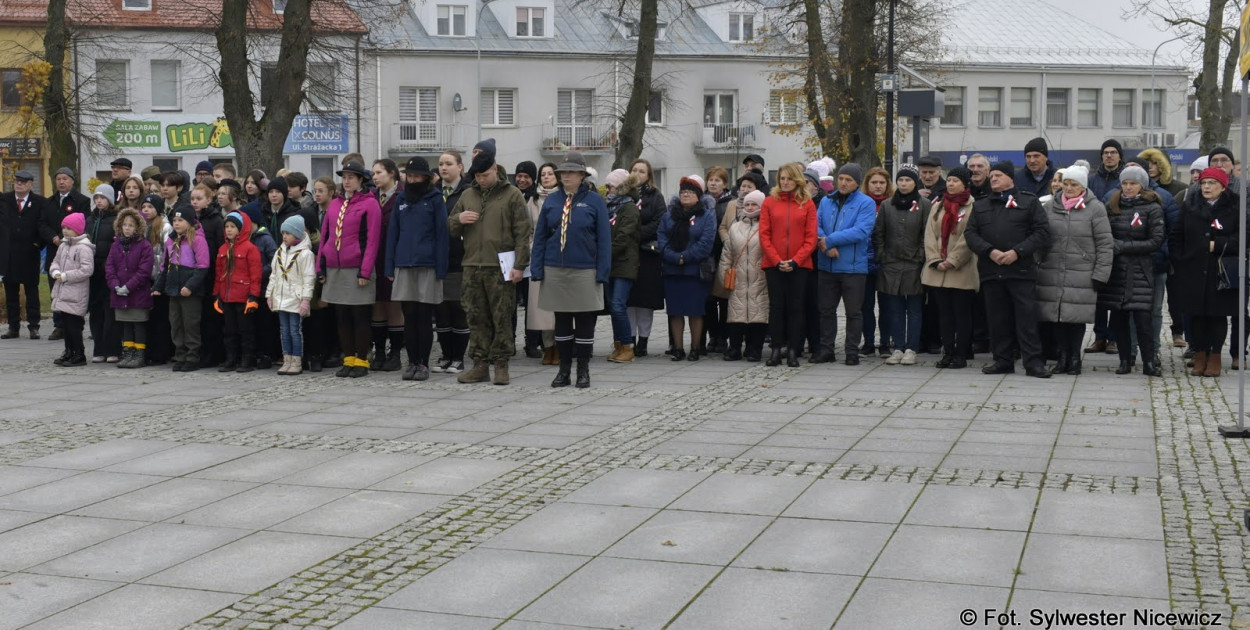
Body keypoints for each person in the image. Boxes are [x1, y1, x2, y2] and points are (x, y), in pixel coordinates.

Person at [447, 149, 531, 385]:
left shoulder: (512, 195)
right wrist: (459, 219)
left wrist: (520, 265)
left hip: (501, 267)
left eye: (484, 175)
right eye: (477, 176)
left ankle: (501, 364)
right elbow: (451, 226)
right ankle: (480, 364)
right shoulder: (467, 195)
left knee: (502, 316)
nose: (481, 180)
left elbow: (522, 232)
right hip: (472, 265)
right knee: (475, 316)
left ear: (495, 169)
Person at [964, 160, 1052, 378]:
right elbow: (971, 234)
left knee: (1026, 320)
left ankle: (1033, 362)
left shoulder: (1028, 202)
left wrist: (1017, 252)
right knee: (997, 319)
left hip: (1020, 271)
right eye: (992, 176)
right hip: (991, 271)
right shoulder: (981, 205)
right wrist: (990, 251)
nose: (993, 179)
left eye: (998, 176)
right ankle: (1002, 360)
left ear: (1010, 178)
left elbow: (1041, 233)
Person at [531, 152, 610, 387]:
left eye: (571, 172)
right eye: (563, 172)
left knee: (585, 322)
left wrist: (602, 271)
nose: (565, 176)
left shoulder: (595, 201)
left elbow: (604, 240)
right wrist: (537, 268)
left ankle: (583, 370)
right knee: (562, 323)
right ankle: (563, 371)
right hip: (555, 268)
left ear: (581, 175)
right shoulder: (553, 201)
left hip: (585, 269)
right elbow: (541, 237)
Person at [1035, 165, 1114, 376]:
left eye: (1074, 185)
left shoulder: (1095, 208)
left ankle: (1075, 358)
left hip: (1082, 272)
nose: (1068, 188)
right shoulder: (1051, 206)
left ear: (1083, 186)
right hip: (1053, 269)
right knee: (1058, 316)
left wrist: (1100, 273)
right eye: (1066, 183)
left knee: (1076, 318)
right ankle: (1062, 357)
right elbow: (1041, 237)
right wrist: (1038, 262)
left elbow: (1105, 244)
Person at [1170, 167, 1244, 377]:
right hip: (1193, 268)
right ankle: (1200, 355)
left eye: (1211, 183)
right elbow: (1177, 234)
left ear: (1222, 186)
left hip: (1220, 271)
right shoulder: (1190, 205)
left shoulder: (1235, 206)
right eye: (1203, 183)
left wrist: (1218, 244)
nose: (1206, 187)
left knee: (1217, 316)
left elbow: (1242, 238)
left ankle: (1216, 357)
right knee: (1197, 315)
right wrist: (1180, 259)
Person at [1097, 164, 1166, 377]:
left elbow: (1155, 240)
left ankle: (1148, 362)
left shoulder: (1152, 207)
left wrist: (1123, 247)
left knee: (1143, 320)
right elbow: (1104, 233)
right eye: (1125, 183)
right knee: (1118, 320)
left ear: (1141, 186)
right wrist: (1113, 245)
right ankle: (1125, 360)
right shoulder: (1113, 204)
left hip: (1141, 270)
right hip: (1117, 270)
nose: (1128, 187)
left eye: (1133, 183)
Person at [385, 156, 448, 381]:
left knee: (423, 317)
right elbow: (393, 234)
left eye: (416, 176)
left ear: (426, 178)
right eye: (409, 176)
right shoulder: (401, 199)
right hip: (404, 264)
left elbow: (442, 235)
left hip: (428, 265)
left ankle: (423, 363)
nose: (412, 180)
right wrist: (389, 266)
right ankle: (411, 361)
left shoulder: (435, 199)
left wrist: (441, 268)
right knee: (408, 317)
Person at [318, 161, 382, 378]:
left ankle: (362, 360)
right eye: (344, 177)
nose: (346, 181)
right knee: (342, 316)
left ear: (360, 180)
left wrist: (365, 271)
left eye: (351, 177)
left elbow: (372, 240)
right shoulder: (334, 204)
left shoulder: (369, 204)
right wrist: (321, 267)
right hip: (335, 267)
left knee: (359, 316)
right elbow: (325, 235)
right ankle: (348, 358)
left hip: (356, 267)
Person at [815, 163, 877, 366]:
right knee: (826, 310)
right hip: (827, 266)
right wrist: (825, 246)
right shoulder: (826, 201)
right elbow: (817, 226)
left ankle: (851, 351)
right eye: (841, 178)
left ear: (857, 183)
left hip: (853, 268)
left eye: (848, 180)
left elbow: (861, 231)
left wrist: (830, 241)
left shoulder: (865, 203)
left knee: (853, 312)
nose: (843, 183)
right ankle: (826, 350)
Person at [759, 163, 817, 366]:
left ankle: (793, 349)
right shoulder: (769, 202)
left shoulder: (807, 204)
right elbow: (764, 235)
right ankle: (776, 349)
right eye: (782, 178)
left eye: (789, 179)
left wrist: (795, 260)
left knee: (796, 307)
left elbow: (811, 238)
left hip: (799, 265)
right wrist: (777, 260)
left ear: (797, 180)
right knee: (776, 307)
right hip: (773, 264)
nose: (785, 182)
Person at [875, 165, 931, 366]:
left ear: (915, 182)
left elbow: (927, 233)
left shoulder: (924, 204)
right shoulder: (888, 205)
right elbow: (879, 233)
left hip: (915, 264)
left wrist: (921, 257)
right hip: (890, 263)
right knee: (895, 308)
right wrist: (882, 255)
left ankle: (911, 348)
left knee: (914, 309)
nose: (904, 183)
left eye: (908, 180)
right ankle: (897, 347)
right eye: (900, 180)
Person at [923, 167, 978, 368]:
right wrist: (934, 259)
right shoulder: (938, 206)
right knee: (944, 314)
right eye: (950, 180)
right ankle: (948, 352)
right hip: (938, 269)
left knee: (961, 314)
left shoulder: (973, 207)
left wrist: (952, 260)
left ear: (965, 184)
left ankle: (961, 354)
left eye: (955, 181)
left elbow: (969, 237)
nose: (951, 184)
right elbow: (929, 234)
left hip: (961, 270)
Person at [659, 174, 717, 361]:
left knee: (695, 311)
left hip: (695, 271)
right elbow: (662, 239)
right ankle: (677, 348)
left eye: (690, 192)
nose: (685, 195)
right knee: (675, 311)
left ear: (699, 195)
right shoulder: (669, 216)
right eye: (683, 191)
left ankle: (695, 348)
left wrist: (686, 257)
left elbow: (706, 243)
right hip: (672, 270)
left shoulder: (706, 216)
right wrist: (675, 258)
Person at [433, 150, 471, 374]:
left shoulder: (467, 193)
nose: (443, 168)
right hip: (438, 260)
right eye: (440, 164)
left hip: (459, 258)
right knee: (441, 311)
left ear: (460, 167)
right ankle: (445, 355)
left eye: (448, 163)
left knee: (458, 309)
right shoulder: (434, 192)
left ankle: (458, 357)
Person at [157, 207, 210, 371]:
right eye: (174, 221)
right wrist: (158, 286)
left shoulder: (197, 240)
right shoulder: (171, 240)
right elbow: (165, 266)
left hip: (189, 290)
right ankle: (180, 355)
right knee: (176, 323)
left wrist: (190, 286)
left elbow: (203, 266)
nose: (177, 224)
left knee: (190, 324)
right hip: (173, 288)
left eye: (181, 220)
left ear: (190, 222)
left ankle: (192, 356)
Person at [720, 189, 769, 362]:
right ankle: (734, 348)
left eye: (754, 204)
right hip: (739, 278)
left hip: (760, 278)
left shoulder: (767, 226)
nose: (749, 207)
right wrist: (724, 275)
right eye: (747, 204)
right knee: (736, 315)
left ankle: (754, 349)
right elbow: (727, 254)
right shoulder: (735, 227)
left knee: (758, 316)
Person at [42, 167, 90, 342]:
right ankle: (59, 325)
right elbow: (42, 223)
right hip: (55, 250)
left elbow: (84, 222)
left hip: (75, 251)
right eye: (58, 179)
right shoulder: (48, 202)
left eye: (65, 179)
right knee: (56, 288)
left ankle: (75, 323)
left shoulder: (82, 200)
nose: (61, 182)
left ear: (72, 181)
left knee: (72, 289)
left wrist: (68, 237)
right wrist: (53, 237)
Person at [626, 158, 668, 357]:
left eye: (642, 171)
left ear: (649, 175)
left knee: (645, 301)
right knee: (629, 300)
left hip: (648, 252)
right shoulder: (624, 194)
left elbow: (661, 220)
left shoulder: (655, 196)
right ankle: (630, 339)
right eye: (634, 170)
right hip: (627, 253)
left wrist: (637, 233)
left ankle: (643, 340)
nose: (637, 173)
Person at [266, 216, 316, 375]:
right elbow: (274, 274)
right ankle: (286, 359)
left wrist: (306, 300)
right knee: (284, 330)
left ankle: (297, 360)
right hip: (281, 297)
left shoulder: (305, 254)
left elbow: (309, 278)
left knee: (295, 330)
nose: (284, 236)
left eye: (288, 233)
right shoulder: (280, 251)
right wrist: (270, 295)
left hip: (295, 298)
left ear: (297, 234)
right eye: (283, 233)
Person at [212, 212, 263, 372]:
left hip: (243, 295)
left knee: (245, 330)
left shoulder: (250, 248)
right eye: (226, 226)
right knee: (229, 330)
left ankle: (247, 359)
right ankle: (231, 358)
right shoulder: (222, 249)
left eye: (232, 227)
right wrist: (216, 295)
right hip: (227, 296)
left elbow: (256, 274)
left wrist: (254, 296)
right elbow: (219, 275)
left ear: (240, 229)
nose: (228, 230)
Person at [105, 206, 154, 369]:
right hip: (119, 293)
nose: (127, 228)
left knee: (138, 323)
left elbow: (144, 270)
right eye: (125, 224)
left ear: (138, 227)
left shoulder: (145, 246)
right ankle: (128, 352)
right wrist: (115, 285)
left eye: (131, 225)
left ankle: (139, 354)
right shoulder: (116, 245)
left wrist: (129, 286)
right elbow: (110, 267)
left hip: (138, 293)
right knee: (125, 324)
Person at [370, 159, 406, 371]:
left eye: (379, 172)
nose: (374, 177)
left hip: (394, 258)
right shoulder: (371, 197)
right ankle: (380, 352)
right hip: (373, 259)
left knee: (394, 305)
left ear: (392, 173)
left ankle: (395, 353)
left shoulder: (403, 196)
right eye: (373, 173)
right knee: (377, 305)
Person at [2, 170, 45, 340]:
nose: (18, 184)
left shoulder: (39, 202)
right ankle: (13, 327)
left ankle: (34, 326)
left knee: (31, 291)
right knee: (11, 292)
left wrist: (37, 244)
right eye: (16, 181)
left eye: (22, 182)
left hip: (29, 253)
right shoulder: (4, 200)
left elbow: (43, 224)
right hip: (9, 254)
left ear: (30, 185)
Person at [604, 173, 641, 364]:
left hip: (624, 263)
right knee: (613, 307)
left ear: (621, 188)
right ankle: (618, 345)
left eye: (610, 186)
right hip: (610, 264)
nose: (607, 190)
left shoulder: (629, 208)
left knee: (619, 306)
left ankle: (627, 346)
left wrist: (603, 253)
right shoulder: (609, 207)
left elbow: (624, 237)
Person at [49, 213, 94, 366]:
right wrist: (55, 272)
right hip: (63, 291)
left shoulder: (83, 248)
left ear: (77, 229)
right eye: (63, 228)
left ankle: (79, 353)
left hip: (76, 293)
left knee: (74, 326)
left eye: (69, 228)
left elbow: (87, 270)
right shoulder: (63, 245)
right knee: (66, 325)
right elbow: (54, 262)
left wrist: (67, 276)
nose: (65, 231)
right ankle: (68, 351)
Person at [526, 162, 558, 364]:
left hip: (558, 257)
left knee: (558, 307)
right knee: (542, 309)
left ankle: (561, 347)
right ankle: (548, 348)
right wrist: (532, 248)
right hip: (538, 257)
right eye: (543, 174)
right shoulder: (533, 200)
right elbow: (527, 229)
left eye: (550, 174)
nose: (546, 177)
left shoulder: (562, 198)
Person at [86, 184, 121, 360]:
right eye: (96, 198)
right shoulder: (91, 219)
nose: (99, 201)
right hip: (92, 271)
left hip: (108, 269)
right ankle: (99, 349)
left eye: (102, 198)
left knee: (110, 310)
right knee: (95, 310)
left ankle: (112, 349)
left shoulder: (116, 219)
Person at [704, 166, 734, 353]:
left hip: (724, 254)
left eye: (718, 180)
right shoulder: (702, 201)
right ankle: (712, 335)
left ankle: (723, 336)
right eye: (711, 180)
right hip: (706, 257)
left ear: (724, 184)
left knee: (724, 299)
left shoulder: (730, 203)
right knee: (708, 300)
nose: (713, 183)